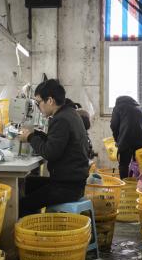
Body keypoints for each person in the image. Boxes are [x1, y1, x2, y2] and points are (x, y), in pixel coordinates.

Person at [19, 79, 90, 216]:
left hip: (66, 187)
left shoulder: (61, 119)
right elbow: (57, 142)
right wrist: (36, 135)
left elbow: (50, 152)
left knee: (22, 204)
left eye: (38, 102)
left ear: (50, 100)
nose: (38, 107)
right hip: (71, 182)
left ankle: (32, 233)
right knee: (26, 184)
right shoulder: (70, 113)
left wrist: (30, 138)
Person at [110, 96, 142, 179]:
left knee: (123, 164)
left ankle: (124, 187)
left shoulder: (118, 107)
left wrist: (117, 141)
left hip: (126, 141)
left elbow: (114, 126)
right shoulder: (140, 108)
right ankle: (139, 186)